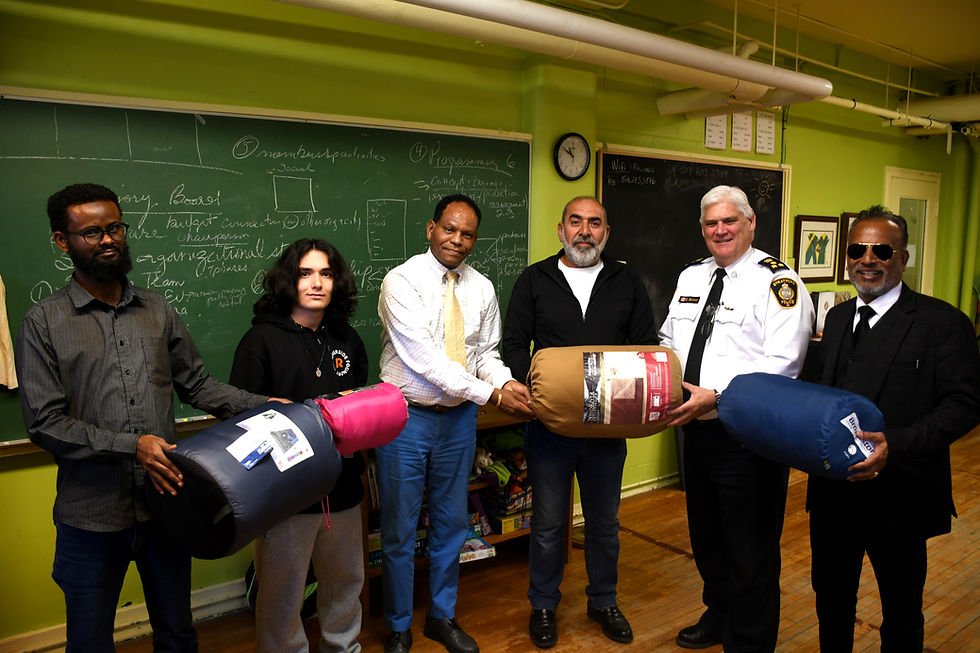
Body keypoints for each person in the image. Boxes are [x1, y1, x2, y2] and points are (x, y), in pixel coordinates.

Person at [15, 183, 277, 653]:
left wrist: (265, 405)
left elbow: (198, 385)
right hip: (90, 516)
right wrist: (132, 446)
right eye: (91, 232)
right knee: (89, 642)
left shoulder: (156, 309)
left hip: (167, 505)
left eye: (114, 227)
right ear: (61, 241)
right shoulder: (43, 322)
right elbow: (45, 422)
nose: (107, 240)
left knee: (177, 633)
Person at [805, 206, 980, 652]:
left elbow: (965, 404)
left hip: (900, 495)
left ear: (903, 258)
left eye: (881, 251)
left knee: (901, 613)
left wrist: (897, 445)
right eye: (857, 250)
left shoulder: (942, 323)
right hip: (833, 497)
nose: (868, 259)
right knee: (831, 602)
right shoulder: (837, 319)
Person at [376, 193, 534, 653]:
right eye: (449, 229)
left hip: (459, 420)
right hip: (405, 418)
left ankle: (441, 617)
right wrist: (494, 395)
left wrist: (506, 381)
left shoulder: (481, 287)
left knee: (450, 524)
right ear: (431, 229)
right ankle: (399, 625)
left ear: (475, 240)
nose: (457, 240)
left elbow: (484, 354)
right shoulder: (400, 281)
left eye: (467, 234)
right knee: (400, 529)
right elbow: (425, 359)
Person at [659, 185, 814, 651]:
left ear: (751, 223)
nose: (720, 230)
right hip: (696, 430)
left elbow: (783, 365)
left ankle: (749, 640)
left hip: (750, 437)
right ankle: (720, 614)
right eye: (711, 223)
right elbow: (668, 340)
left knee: (750, 547)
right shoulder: (692, 276)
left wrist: (719, 398)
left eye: (730, 221)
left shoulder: (779, 284)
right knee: (707, 538)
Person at [502, 195, 658, 649]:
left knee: (604, 523)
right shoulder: (535, 279)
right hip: (549, 427)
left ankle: (603, 601)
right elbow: (514, 345)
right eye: (576, 221)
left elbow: (644, 346)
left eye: (594, 223)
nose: (584, 231)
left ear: (606, 233)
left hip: (607, 429)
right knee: (549, 523)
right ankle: (543, 605)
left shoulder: (626, 281)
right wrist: (536, 390)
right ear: (561, 230)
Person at [229, 238, 369, 653]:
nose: (316, 283)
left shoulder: (348, 339)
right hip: (284, 495)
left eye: (326, 273)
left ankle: (343, 647)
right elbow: (239, 419)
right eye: (305, 273)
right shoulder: (260, 341)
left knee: (346, 582)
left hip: (342, 488)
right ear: (288, 280)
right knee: (281, 593)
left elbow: (358, 405)